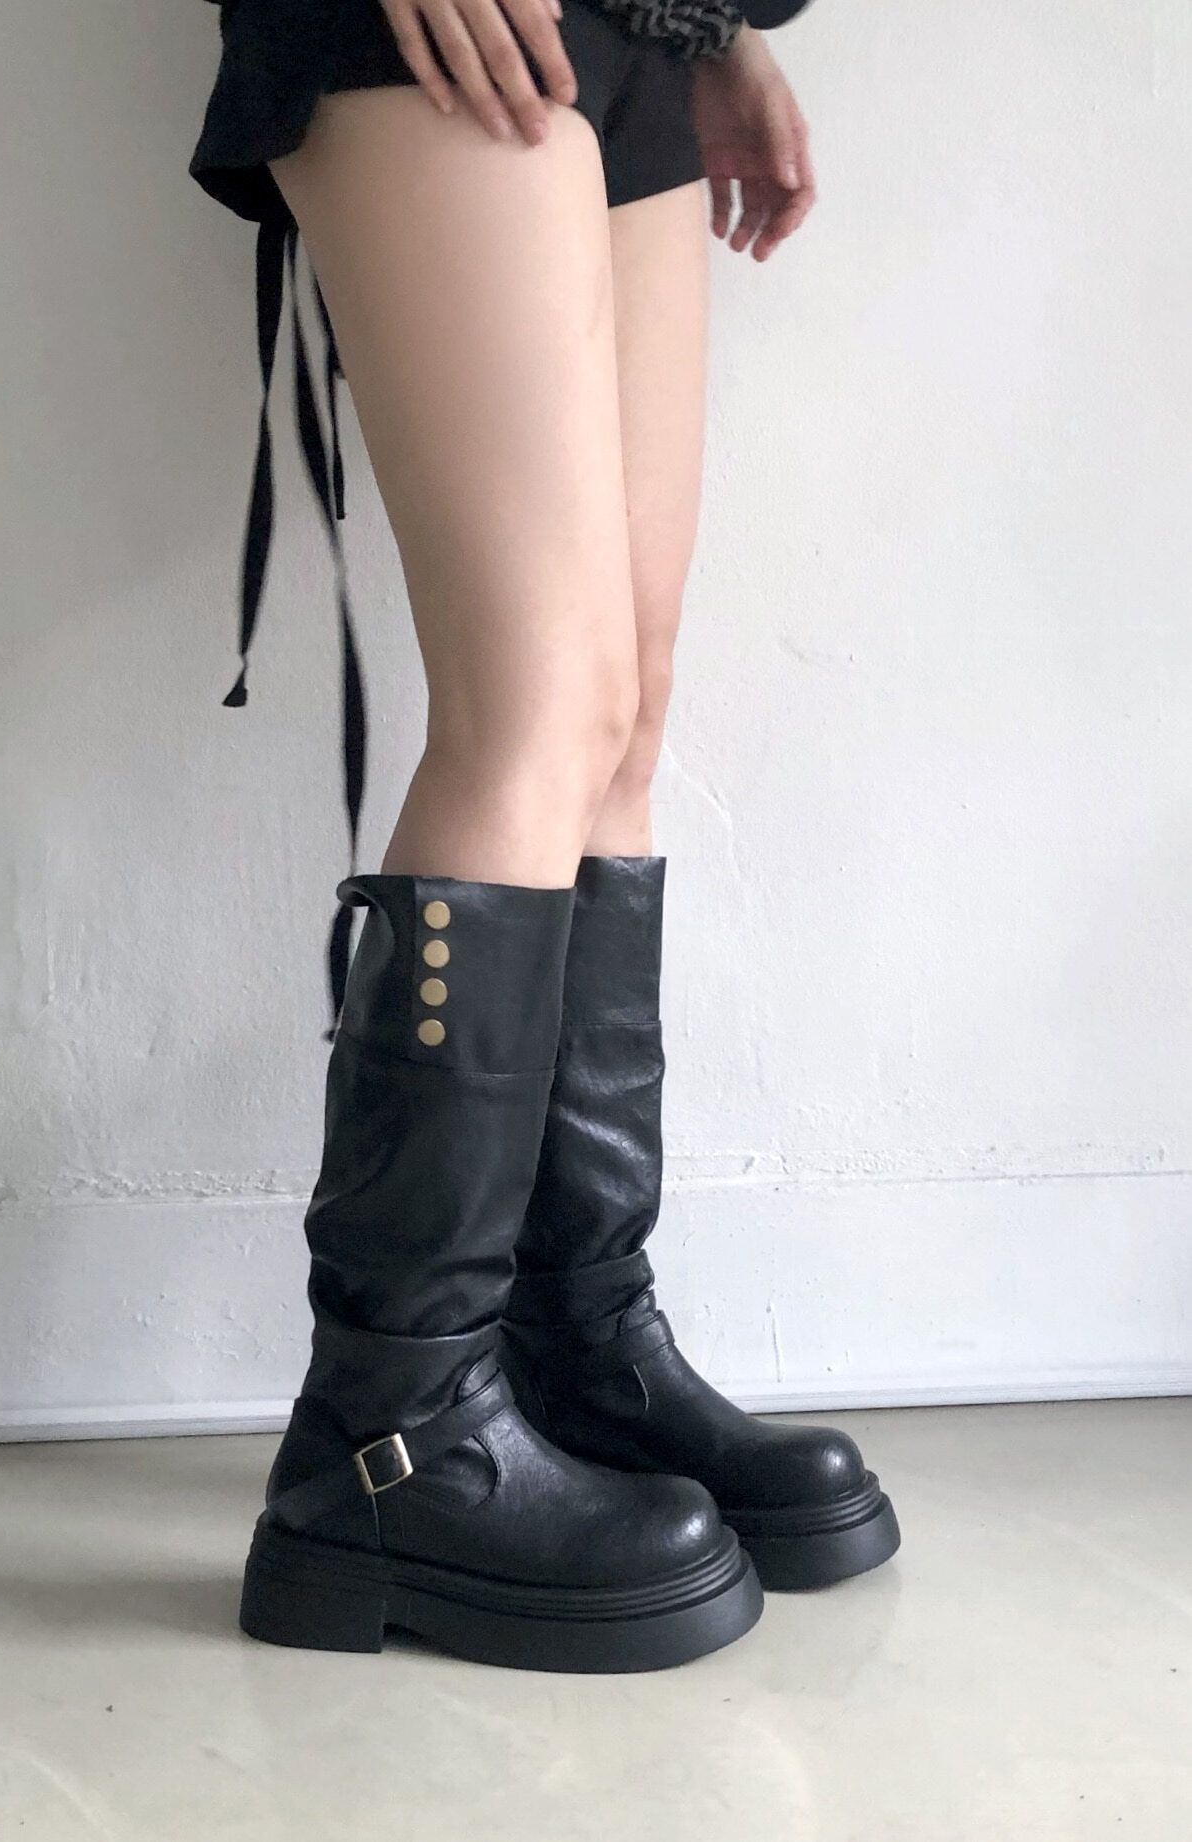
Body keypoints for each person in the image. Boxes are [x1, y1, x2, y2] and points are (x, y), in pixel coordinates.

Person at [189, 0, 899, 1674]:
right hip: (424, 27)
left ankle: (574, 1345)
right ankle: (388, 1439)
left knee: (618, 720)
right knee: (532, 706)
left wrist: (715, 29)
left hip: (635, 27)